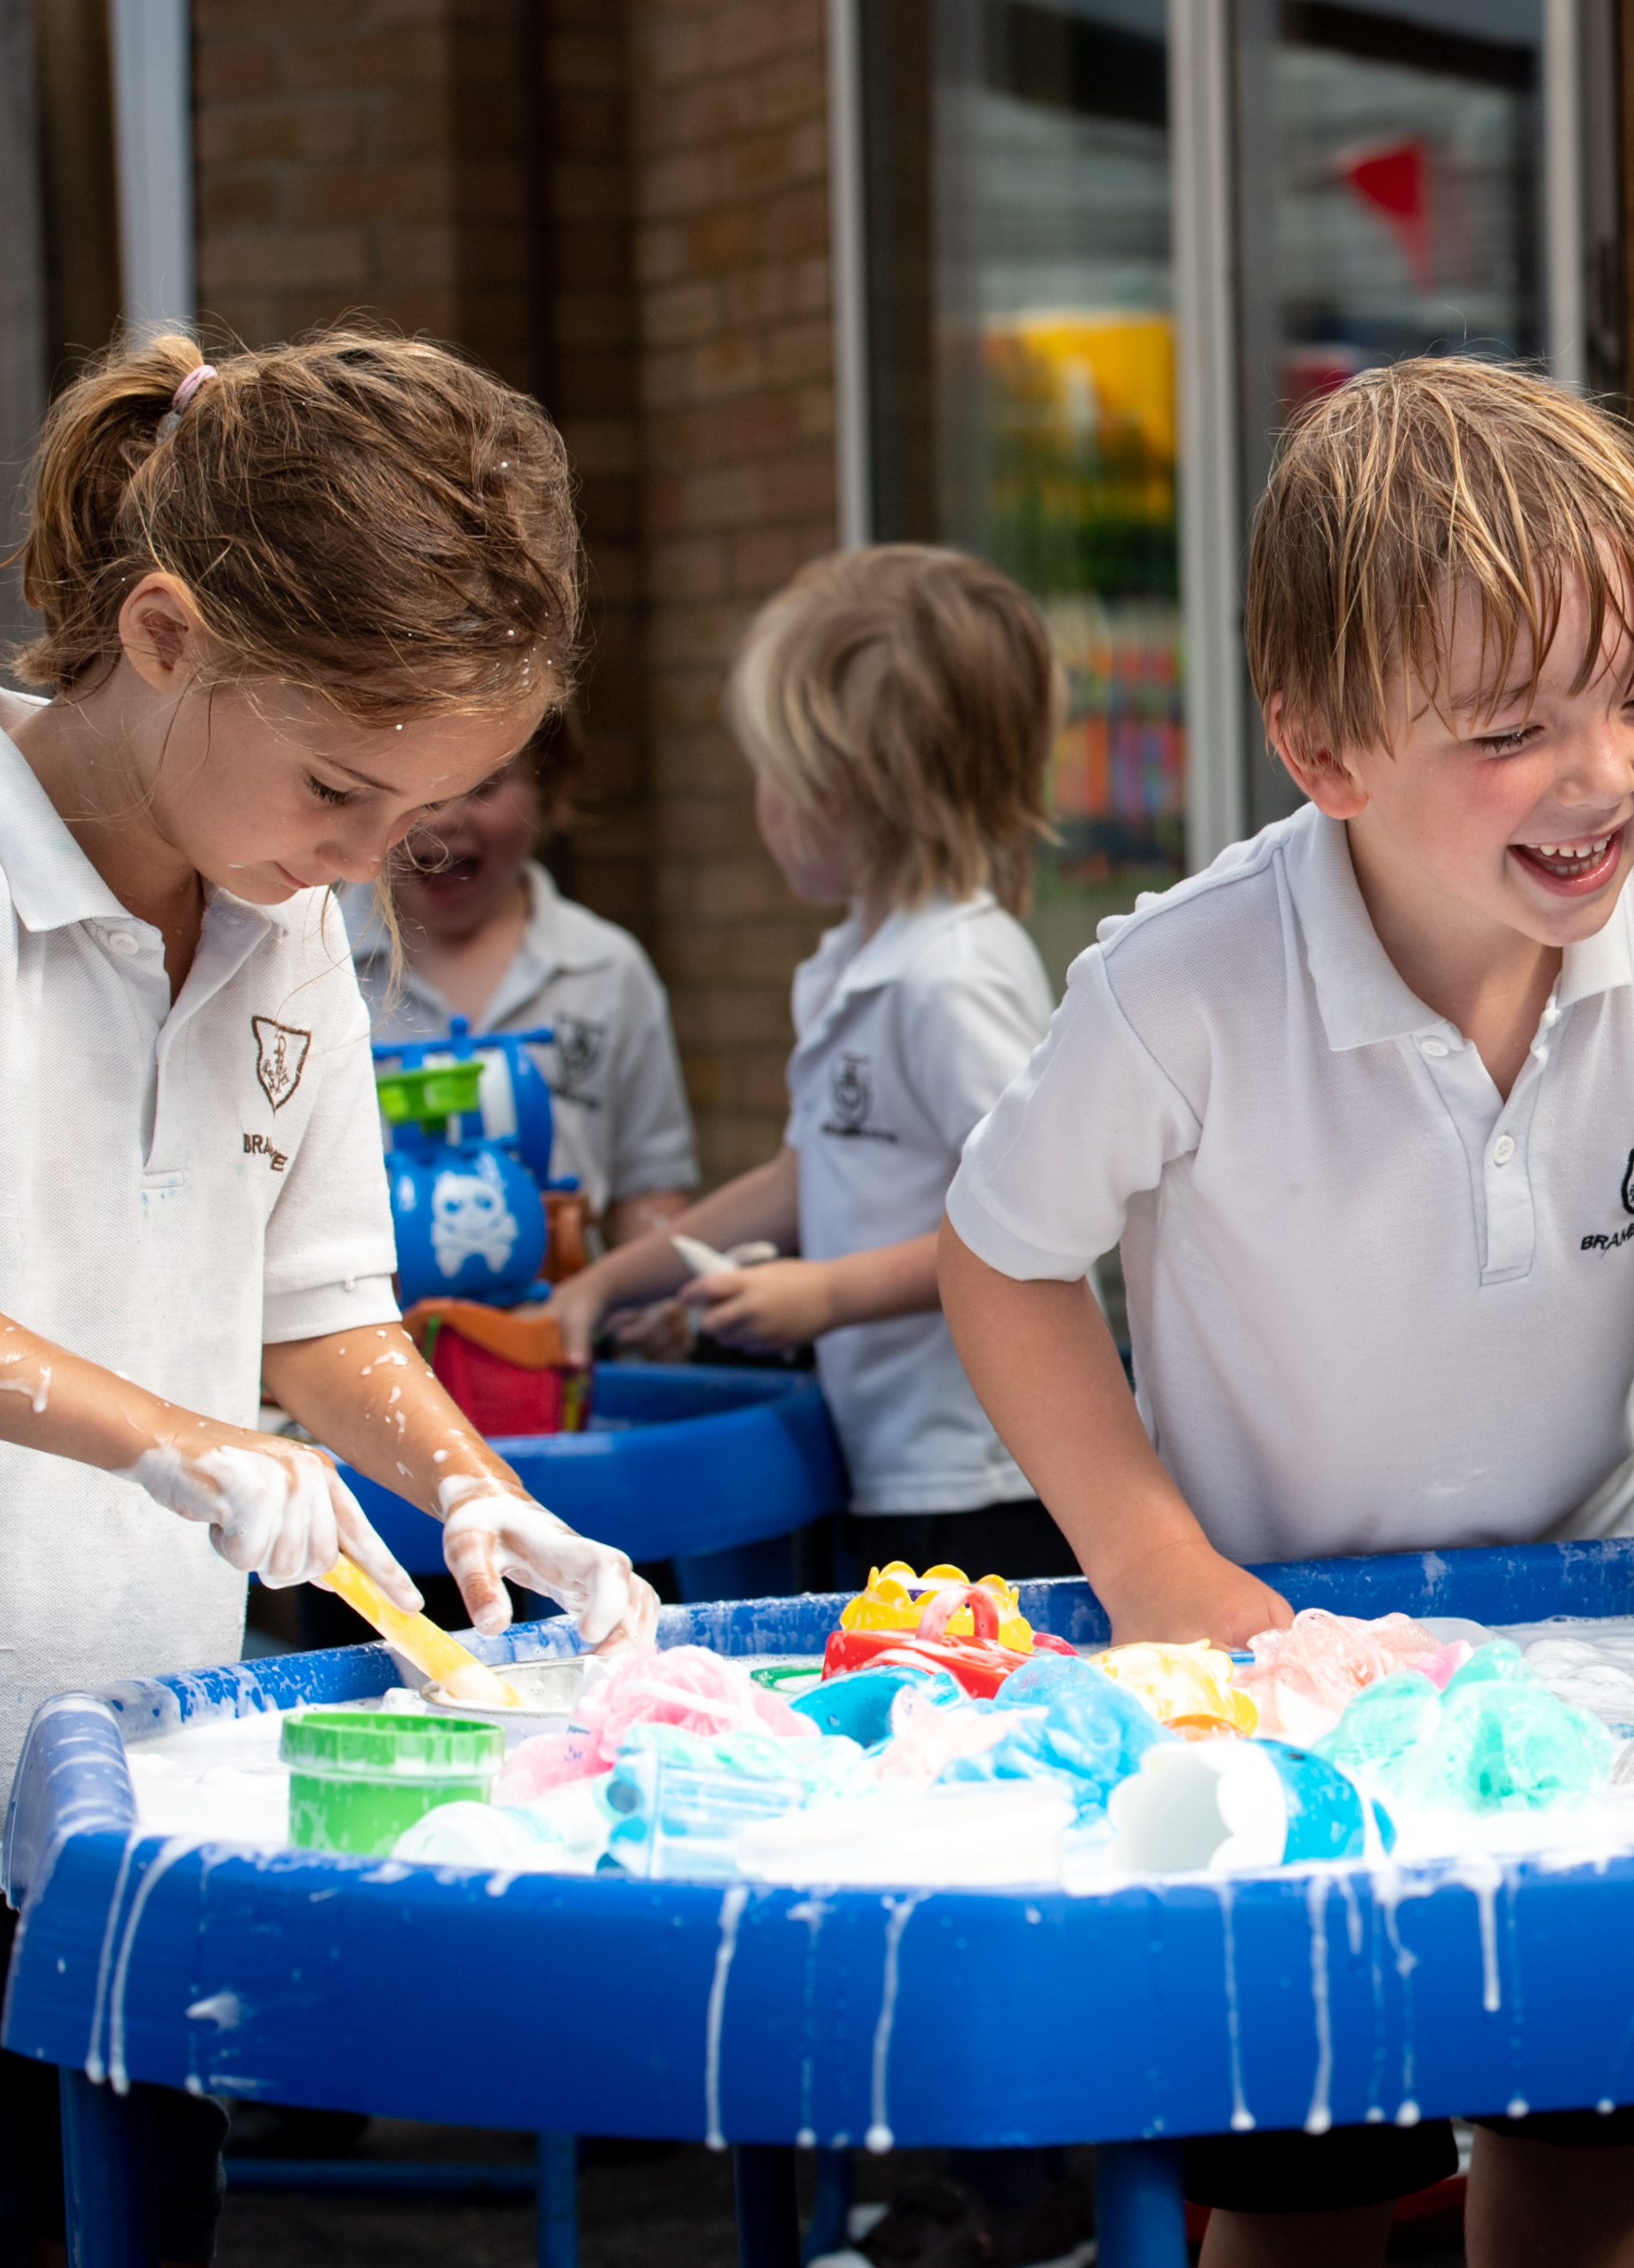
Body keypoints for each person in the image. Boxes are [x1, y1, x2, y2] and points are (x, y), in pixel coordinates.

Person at [938, 355, 1634, 2268]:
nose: (1602, 775)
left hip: (1583, 1615)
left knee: (1584, 2154)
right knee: (1301, 2189)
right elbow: (1001, 1256)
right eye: (1510, 728)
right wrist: (1155, 1568)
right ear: (1323, 754)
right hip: (1278, 1653)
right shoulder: (1186, 980)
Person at [0, 327, 661, 2266]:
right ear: (164, 632)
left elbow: (321, 1307)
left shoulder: (283, 914)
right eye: (345, 791)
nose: (374, 864)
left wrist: (472, 1483)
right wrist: (177, 1438)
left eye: (423, 817)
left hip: (116, 1804)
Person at [540, 546, 1061, 1586]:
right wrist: (610, 1280)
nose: (760, 805)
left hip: (987, 1473)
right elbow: (800, 1179)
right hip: (888, 1459)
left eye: (776, 776)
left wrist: (827, 1295)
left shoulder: (949, 979)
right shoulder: (853, 968)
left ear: (857, 792)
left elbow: (1039, 1225)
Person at [352, 714, 699, 1254]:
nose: (443, 821)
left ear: (549, 786)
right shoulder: (314, 966)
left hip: (563, 1327)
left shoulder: (605, 969)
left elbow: (650, 1183)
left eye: (481, 786)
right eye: (414, 785)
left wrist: (652, 1305)